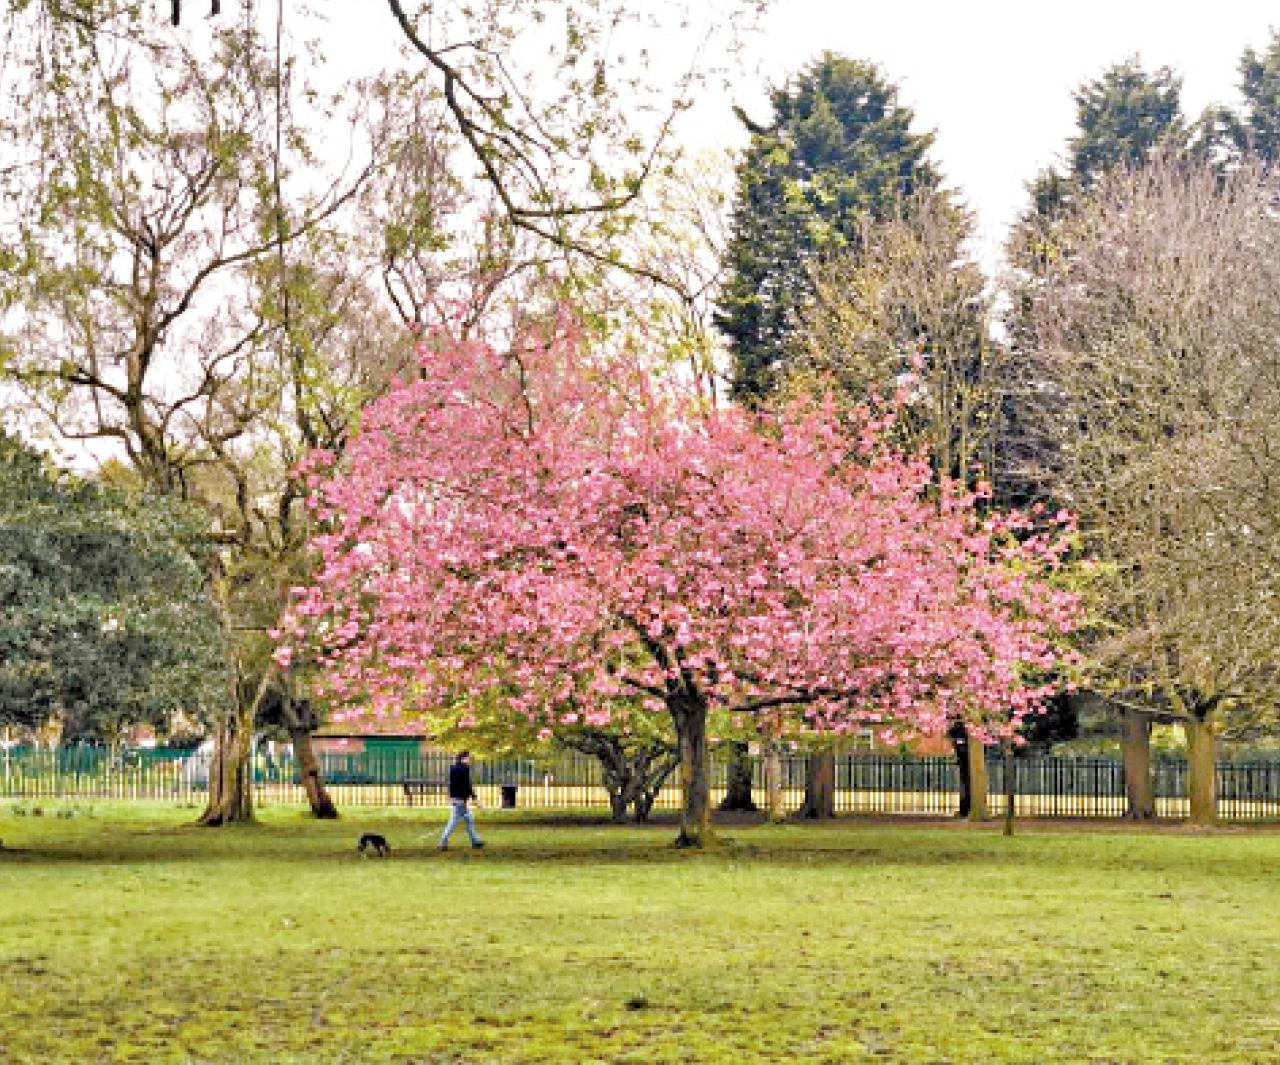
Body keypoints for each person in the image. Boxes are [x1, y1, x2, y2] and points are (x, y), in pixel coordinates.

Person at [439, 750, 485, 850]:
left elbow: (452, 784)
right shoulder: (465, 769)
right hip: (461, 800)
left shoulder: (453, 768)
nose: (469, 760)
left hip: (456, 798)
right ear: (463, 758)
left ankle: (475, 841)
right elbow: (467, 785)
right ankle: (443, 842)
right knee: (453, 821)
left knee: (469, 819)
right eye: (468, 758)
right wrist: (474, 798)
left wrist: (451, 797)